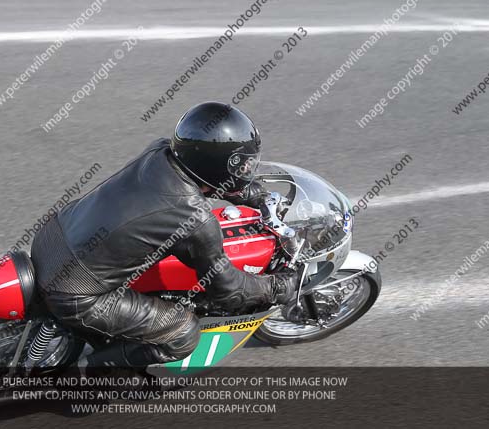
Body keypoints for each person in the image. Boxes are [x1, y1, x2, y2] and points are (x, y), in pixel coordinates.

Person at [30, 101, 301, 368]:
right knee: (183, 334)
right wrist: (278, 286)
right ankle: (90, 376)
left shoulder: (159, 152)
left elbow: (208, 180)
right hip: (75, 293)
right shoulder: (195, 219)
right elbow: (228, 291)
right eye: (241, 166)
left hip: (53, 238)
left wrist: (252, 194)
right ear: (220, 165)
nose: (246, 171)